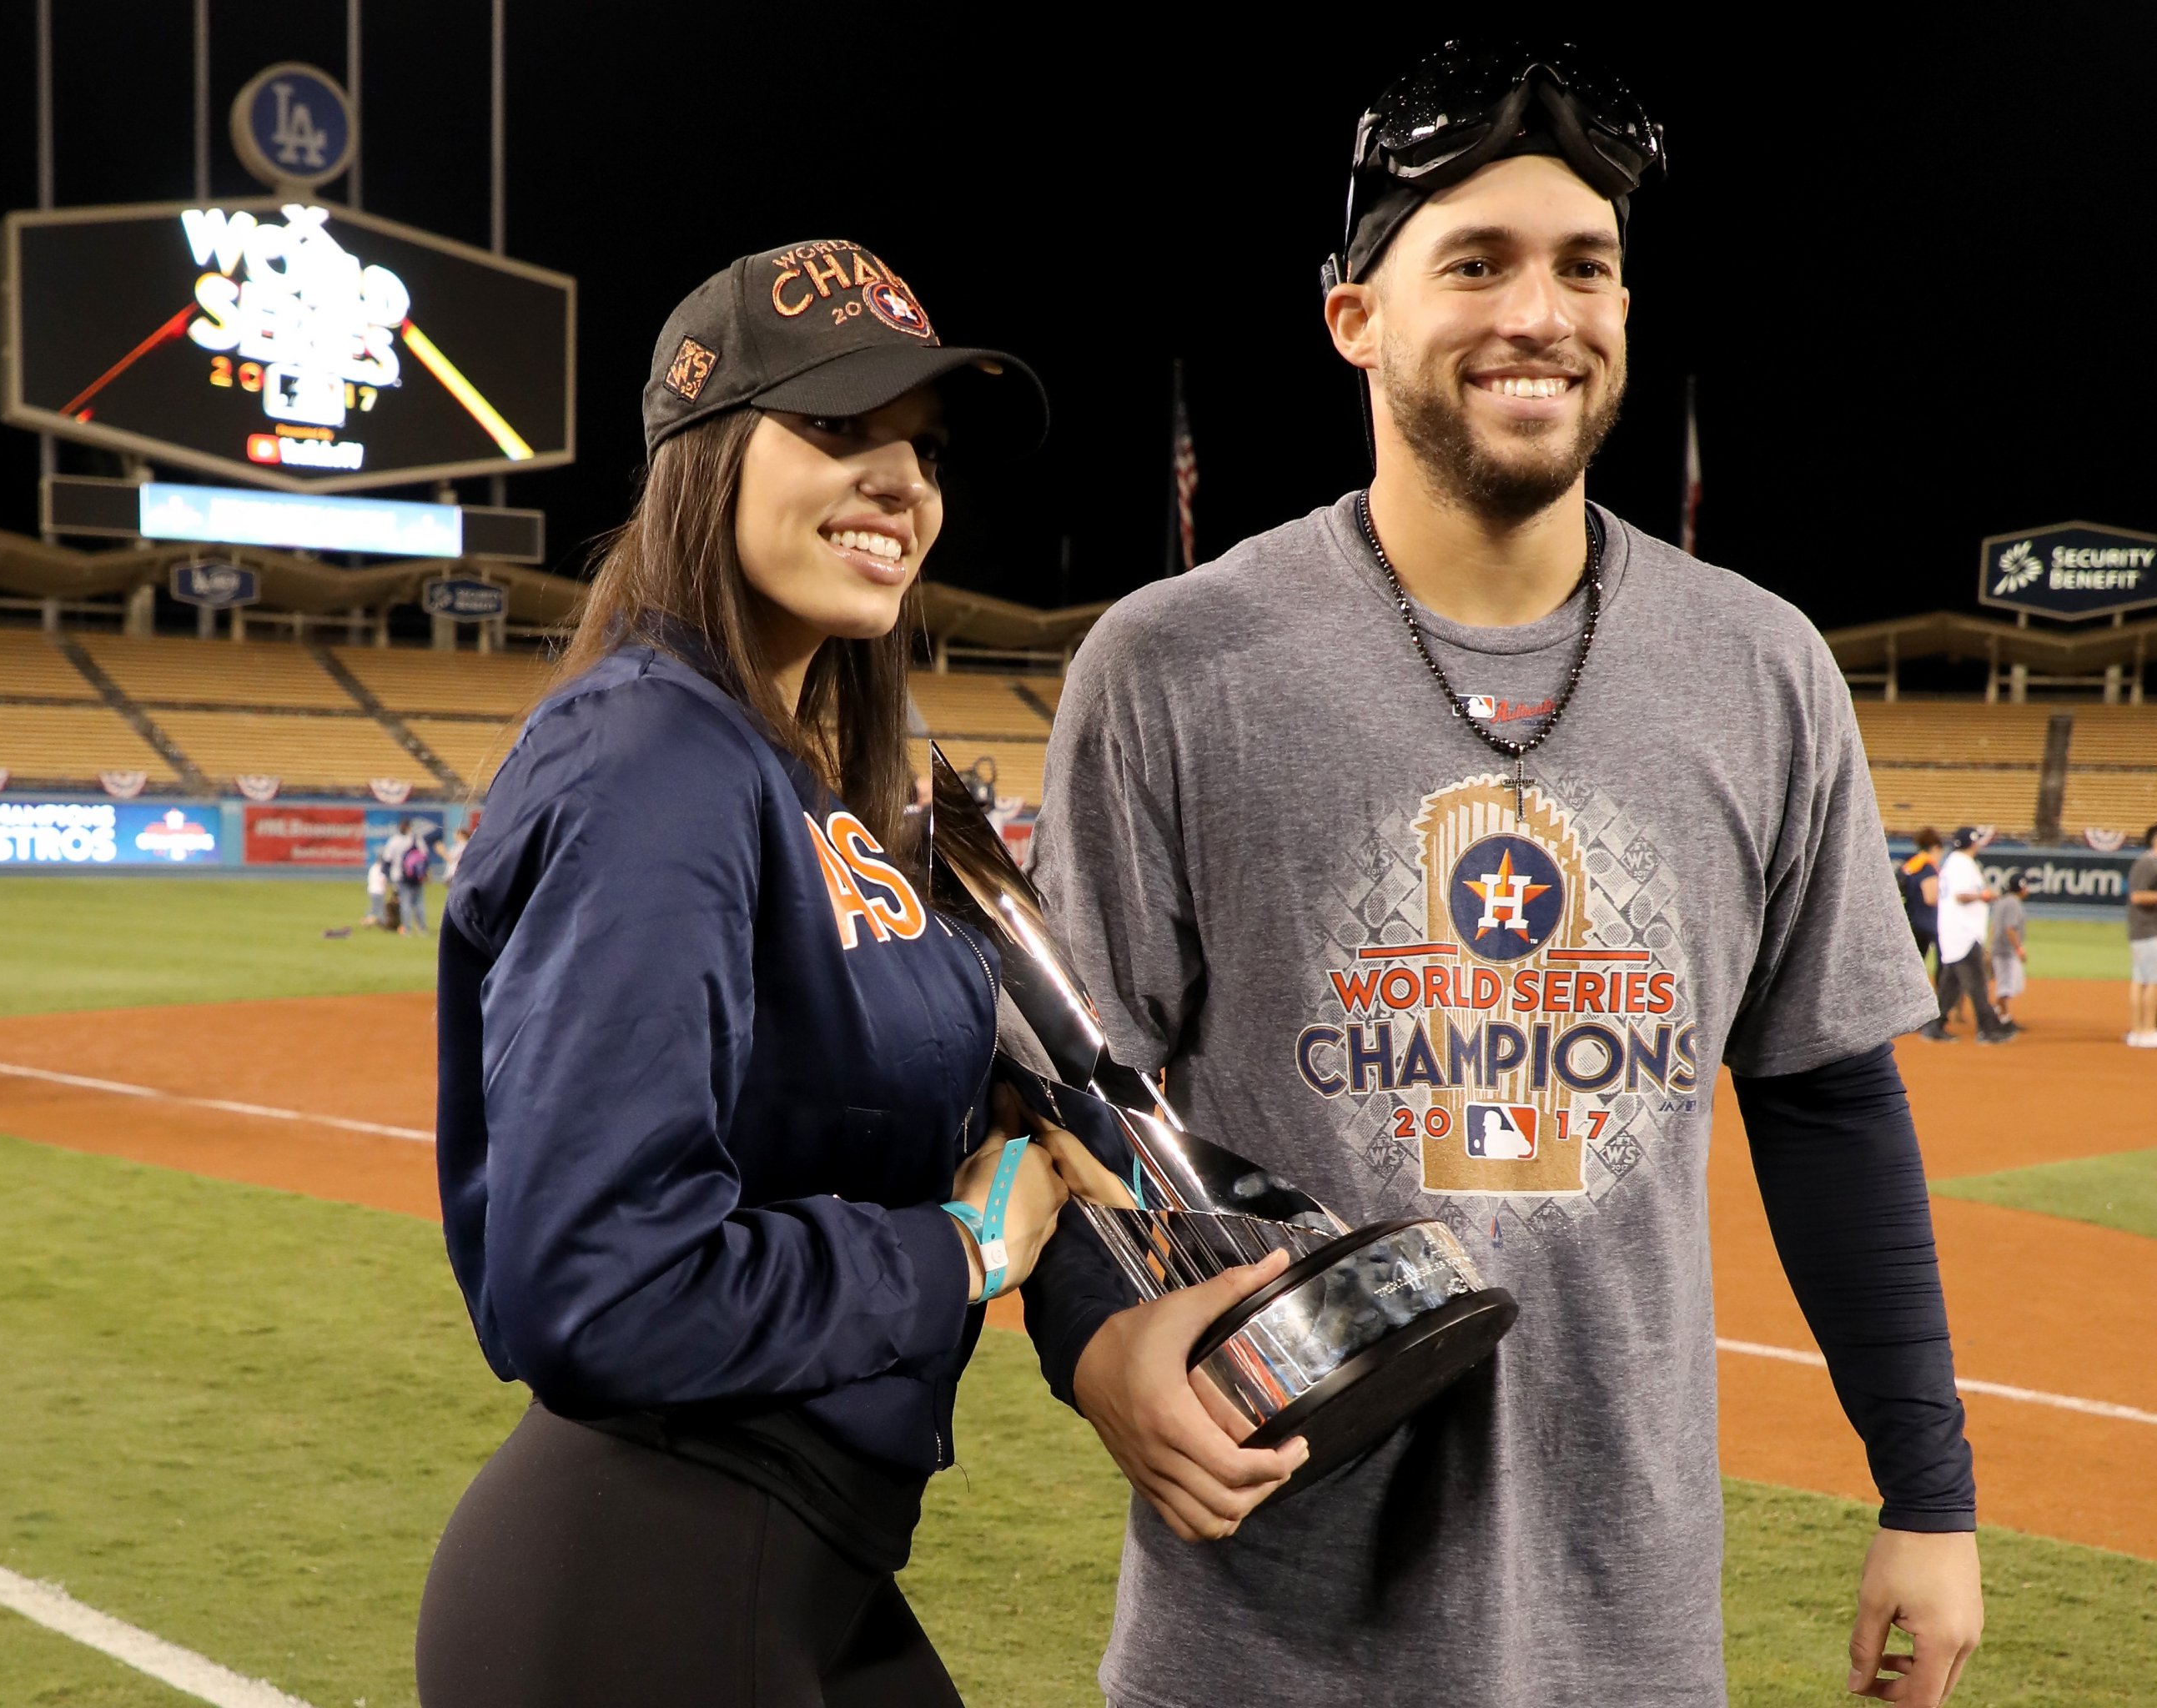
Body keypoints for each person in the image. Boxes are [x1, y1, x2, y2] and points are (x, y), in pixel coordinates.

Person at [1021, 43, 1982, 1708]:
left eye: (1581, 266)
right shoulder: (1173, 666)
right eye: (1470, 262)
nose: (1536, 312)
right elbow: (1064, 1101)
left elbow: (1826, 1103)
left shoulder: (1758, 670)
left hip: (1624, 1626)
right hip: (1255, 1625)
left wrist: (1926, 1490)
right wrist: (1089, 1348)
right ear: (1352, 320)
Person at [417, 239, 1084, 1706]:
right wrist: (960, 1250)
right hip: (647, 1583)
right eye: (839, 427)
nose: (900, 480)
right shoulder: (655, 757)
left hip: (792, 1570)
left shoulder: (793, 770)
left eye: (922, 446)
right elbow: (595, 1282)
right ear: (707, 458)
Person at [1921, 827, 2014, 1044]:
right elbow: (1961, 896)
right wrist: (1985, 895)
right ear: (1972, 843)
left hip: (1955, 932)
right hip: (1963, 933)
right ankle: (1988, 1030)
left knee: (1951, 984)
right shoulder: (1962, 864)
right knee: (1977, 984)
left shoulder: (1953, 863)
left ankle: (1935, 1026)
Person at [2129, 822, 2157, 1047]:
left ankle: (2138, 1031)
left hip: (2145, 930)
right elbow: (2138, 897)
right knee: (2152, 981)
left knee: (2142, 980)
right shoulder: (2148, 864)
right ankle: (2147, 1031)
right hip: (2148, 930)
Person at [1988, 873, 2029, 1030]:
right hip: (2005, 951)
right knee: (2006, 986)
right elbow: (2010, 929)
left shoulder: (2003, 901)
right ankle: (2003, 1019)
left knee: (2012, 984)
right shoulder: (2013, 904)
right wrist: (2019, 949)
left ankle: (1995, 1012)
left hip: (1999, 949)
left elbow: (1993, 927)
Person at [1900, 826, 1943, 969]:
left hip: (1911, 919)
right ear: (1936, 848)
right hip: (1926, 922)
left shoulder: (1911, 864)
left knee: (1909, 966)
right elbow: (1931, 898)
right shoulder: (1927, 867)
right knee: (1942, 964)